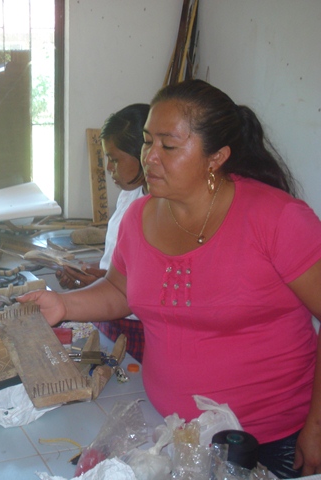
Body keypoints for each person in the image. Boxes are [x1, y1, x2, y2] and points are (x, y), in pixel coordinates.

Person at [19, 79, 321, 478]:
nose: (150, 157)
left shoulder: (278, 219)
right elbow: (120, 289)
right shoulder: (140, 215)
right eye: (147, 142)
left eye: (169, 146)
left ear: (216, 157)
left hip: (268, 442)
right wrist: (63, 305)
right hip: (173, 432)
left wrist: (317, 428)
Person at [56, 104, 149, 362]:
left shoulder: (157, 210)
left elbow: (143, 286)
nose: (109, 167)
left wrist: (103, 284)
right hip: (109, 316)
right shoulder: (129, 195)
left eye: (115, 159)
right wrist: (91, 275)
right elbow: (122, 263)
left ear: (143, 154)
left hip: (135, 325)